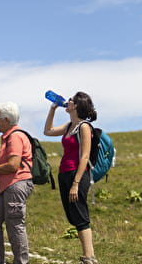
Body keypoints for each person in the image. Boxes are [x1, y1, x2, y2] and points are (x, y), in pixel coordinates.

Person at [44, 91, 99, 264]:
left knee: (79, 213)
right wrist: (53, 108)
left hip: (78, 175)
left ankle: (89, 256)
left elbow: (84, 156)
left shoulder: (84, 127)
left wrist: (76, 183)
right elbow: (48, 131)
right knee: (72, 214)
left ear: (77, 106)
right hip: (64, 173)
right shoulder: (69, 126)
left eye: (71, 100)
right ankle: (87, 255)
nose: (67, 102)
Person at [0, 101, 34, 264]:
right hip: (6, 186)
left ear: (6, 119)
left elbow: (13, 165)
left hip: (16, 185)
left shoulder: (15, 136)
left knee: (15, 225)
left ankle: (21, 262)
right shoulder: (9, 137)